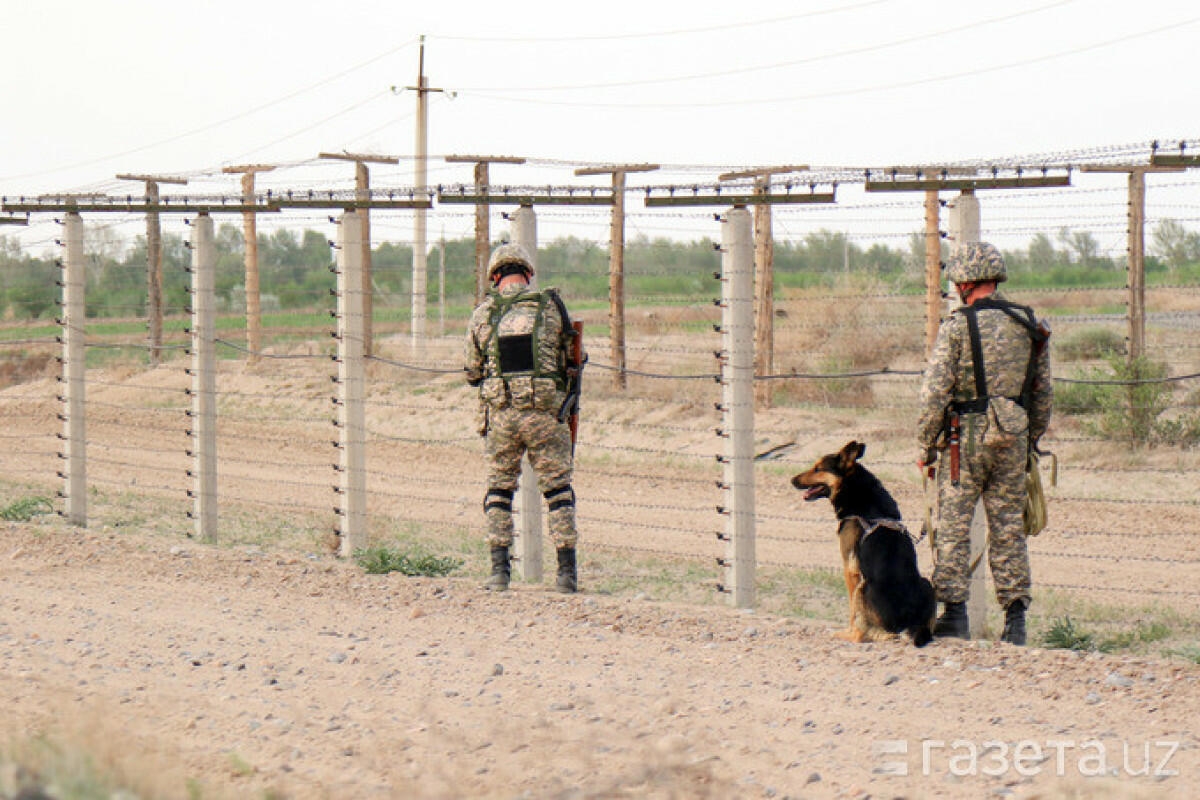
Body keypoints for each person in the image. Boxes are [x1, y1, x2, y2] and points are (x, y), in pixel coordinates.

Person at [916, 242, 1052, 646]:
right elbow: (1043, 392)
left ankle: (954, 615)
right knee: (1009, 526)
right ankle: (1015, 623)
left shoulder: (957, 326)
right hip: (1014, 435)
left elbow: (935, 392)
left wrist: (925, 444)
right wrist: (1031, 439)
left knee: (955, 526)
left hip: (966, 438)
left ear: (966, 282)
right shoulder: (1030, 324)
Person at [464, 242, 582, 593]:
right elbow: (571, 358)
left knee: (499, 491)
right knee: (558, 491)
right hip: (546, 414)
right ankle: (566, 574)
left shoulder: (483, 314)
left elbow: (472, 372)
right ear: (528, 274)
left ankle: (499, 572)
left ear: (495, 276)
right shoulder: (551, 307)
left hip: (502, 416)